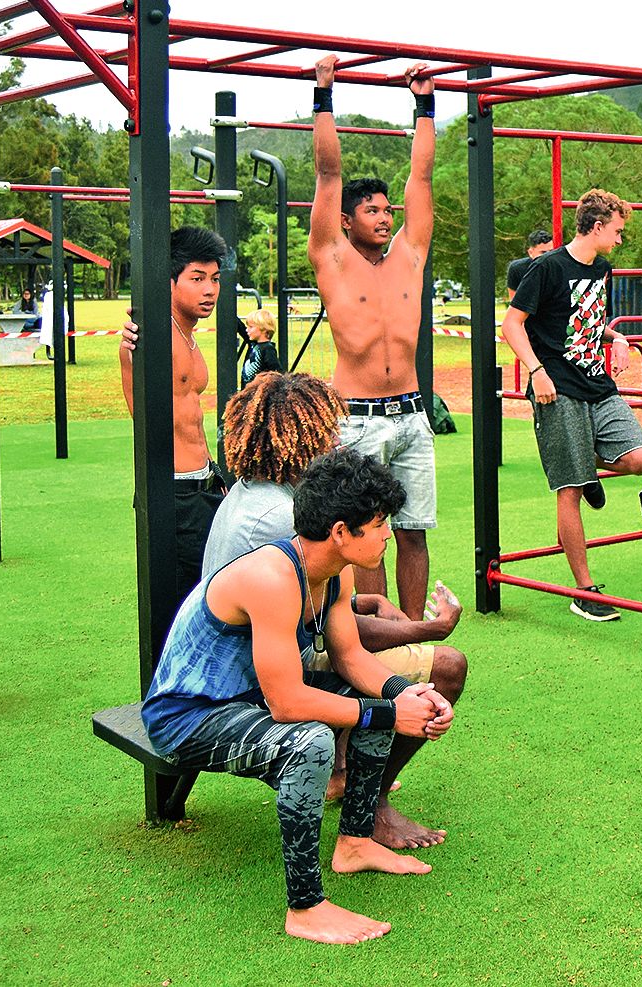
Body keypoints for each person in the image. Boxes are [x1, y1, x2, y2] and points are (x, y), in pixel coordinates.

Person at [142, 448, 453, 945]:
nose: (388, 535)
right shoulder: (273, 577)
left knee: (372, 702)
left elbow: (351, 658)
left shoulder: (333, 570)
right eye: (377, 525)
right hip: (189, 717)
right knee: (310, 741)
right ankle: (305, 907)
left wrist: (406, 693)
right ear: (339, 532)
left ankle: (354, 842)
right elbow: (288, 704)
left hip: (249, 700)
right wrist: (392, 713)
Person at [203, 371, 469, 850]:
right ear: (302, 437)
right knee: (444, 668)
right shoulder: (282, 519)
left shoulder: (257, 492)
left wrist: (368, 602)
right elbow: (338, 643)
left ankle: (346, 775)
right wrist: (427, 628)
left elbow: (322, 611)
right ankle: (372, 809)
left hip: (263, 660)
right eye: (327, 430)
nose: (334, 441)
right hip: (251, 684)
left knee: (385, 680)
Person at [308, 53, 438, 620]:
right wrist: (324, 95)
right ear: (345, 219)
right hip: (355, 416)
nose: (385, 218)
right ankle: (372, 640)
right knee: (367, 536)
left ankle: (413, 633)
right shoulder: (332, 258)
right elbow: (328, 175)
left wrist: (425, 104)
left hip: (411, 414)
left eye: (389, 210)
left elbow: (422, 178)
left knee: (413, 533)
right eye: (372, 211)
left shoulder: (409, 257)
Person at [502, 189, 642, 623]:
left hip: (596, 382)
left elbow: (585, 321)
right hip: (557, 386)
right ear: (597, 226)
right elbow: (512, 325)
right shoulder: (546, 268)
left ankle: (585, 468)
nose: (621, 239)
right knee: (568, 487)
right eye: (618, 231)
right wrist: (536, 371)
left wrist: (619, 338)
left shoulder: (603, 270)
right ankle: (584, 589)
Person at [120, 225, 229, 611]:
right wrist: (134, 339)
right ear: (169, 282)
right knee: (186, 604)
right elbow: (142, 405)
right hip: (175, 492)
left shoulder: (187, 334)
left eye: (214, 279)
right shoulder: (152, 335)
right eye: (196, 279)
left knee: (213, 593)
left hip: (202, 483)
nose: (210, 290)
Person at [505, 227, 555, 302]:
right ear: (531, 252)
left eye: (551, 252)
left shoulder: (559, 266)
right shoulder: (517, 268)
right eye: (543, 253)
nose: (547, 256)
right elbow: (514, 301)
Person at [240, 308, 283, 386]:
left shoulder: (268, 349)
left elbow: (276, 372)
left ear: (264, 329)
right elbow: (241, 328)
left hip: (258, 392)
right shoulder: (254, 344)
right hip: (248, 392)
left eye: (251, 327)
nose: (247, 330)